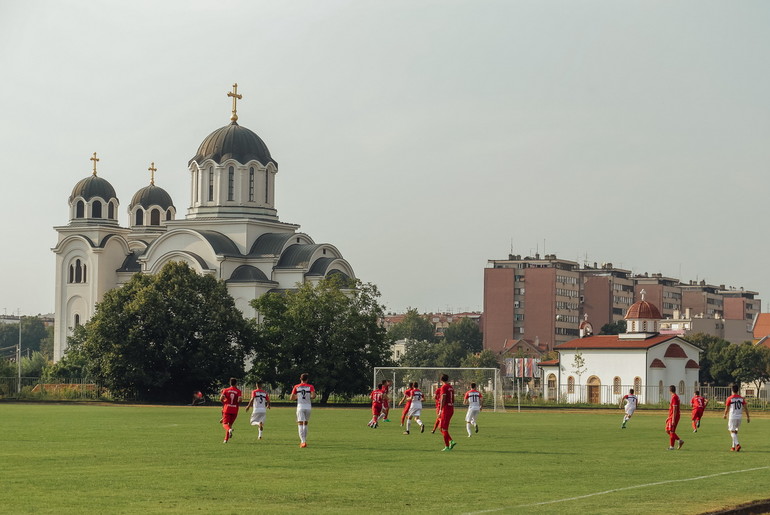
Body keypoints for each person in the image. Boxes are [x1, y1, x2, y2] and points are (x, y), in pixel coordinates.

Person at [290, 373, 316, 448]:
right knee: (306, 423)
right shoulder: (310, 386)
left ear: (300, 379)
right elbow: (313, 396)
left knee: (300, 424)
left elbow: (291, 398)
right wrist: (309, 397)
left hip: (300, 406)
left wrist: (298, 396)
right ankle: (304, 440)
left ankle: (303, 441)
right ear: (307, 379)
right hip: (308, 407)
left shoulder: (296, 387)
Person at [723, 384, 750, 451]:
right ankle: (733, 447)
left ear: (732, 390)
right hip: (739, 416)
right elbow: (745, 408)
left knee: (731, 431)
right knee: (735, 432)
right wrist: (748, 417)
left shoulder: (729, 398)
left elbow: (727, 408)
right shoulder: (741, 398)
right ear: (738, 390)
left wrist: (725, 414)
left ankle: (737, 444)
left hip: (732, 416)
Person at [437, 374, 456, 451]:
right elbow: (453, 398)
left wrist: (440, 409)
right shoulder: (451, 387)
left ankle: (447, 446)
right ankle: (451, 441)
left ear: (441, 380)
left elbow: (443, 398)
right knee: (440, 427)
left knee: (444, 428)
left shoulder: (444, 387)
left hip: (446, 409)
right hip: (451, 408)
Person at [219, 378, 242, 443]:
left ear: (230, 383)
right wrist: (237, 403)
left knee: (225, 424)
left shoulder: (226, 390)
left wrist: (225, 402)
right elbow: (240, 400)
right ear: (236, 383)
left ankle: (229, 430)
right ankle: (225, 440)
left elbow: (221, 398)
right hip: (235, 409)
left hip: (227, 409)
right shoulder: (238, 391)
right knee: (230, 424)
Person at [665, 384, 684, 450]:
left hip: (674, 416)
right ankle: (677, 442)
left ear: (670, 390)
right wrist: (669, 417)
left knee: (671, 431)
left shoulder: (674, 397)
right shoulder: (674, 397)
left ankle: (673, 445)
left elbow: (675, 409)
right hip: (672, 416)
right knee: (668, 430)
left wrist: (673, 419)